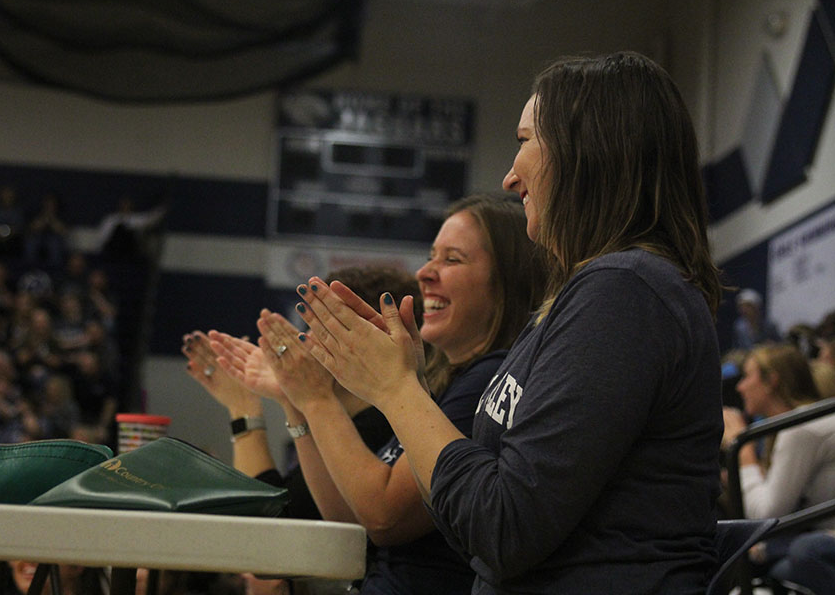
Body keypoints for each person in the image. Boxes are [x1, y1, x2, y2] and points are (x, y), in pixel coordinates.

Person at [290, 52, 724, 593]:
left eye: (524, 141)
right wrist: (394, 382)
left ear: (586, 151)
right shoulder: (591, 294)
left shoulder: (626, 290)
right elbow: (471, 519)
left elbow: (503, 529)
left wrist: (397, 389)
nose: (511, 176)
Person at [214, 194, 549, 595]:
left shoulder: (489, 380)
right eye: (431, 256)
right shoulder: (446, 382)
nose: (425, 272)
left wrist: (316, 399)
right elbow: (346, 522)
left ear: (509, 280)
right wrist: (299, 402)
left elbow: (384, 518)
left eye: (452, 259)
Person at [183, 265, 423, 595]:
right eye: (310, 327)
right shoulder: (352, 420)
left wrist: (245, 408)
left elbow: (274, 536)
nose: (308, 342)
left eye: (323, 327)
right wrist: (291, 401)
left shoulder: (377, 425)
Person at [722, 345, 834, 526]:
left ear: (771, 381)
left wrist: (745, 453)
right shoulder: (793, 424)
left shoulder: (799, 428)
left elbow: (765, 516)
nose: (739, 387)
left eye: (747, 376)